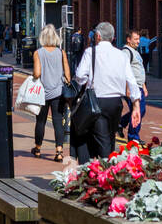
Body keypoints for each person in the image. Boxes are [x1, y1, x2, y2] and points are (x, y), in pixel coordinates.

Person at [73, 23, 141, 162]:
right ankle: (104, 170)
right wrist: (136, 106)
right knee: (110, 139)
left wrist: (86, 82)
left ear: (98, 36)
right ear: (113, 37)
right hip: (116, 103)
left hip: (96, 101)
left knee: (102, 142)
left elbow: (80, 75)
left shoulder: (90, 52)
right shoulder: (121, 55)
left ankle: (105, 173)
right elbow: (132, 81)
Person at [30, 24, 71, 162]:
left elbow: (37, 73)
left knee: (40, 121)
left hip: (42, 93)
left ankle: (37, 149)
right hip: (58, 93)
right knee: (58, 121)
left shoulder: (38, 53)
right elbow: (68, 75)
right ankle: (59, 152)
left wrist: (36, 77)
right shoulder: (61, 53)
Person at [119, 29, 148, 142]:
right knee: (139, 110)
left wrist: (144, 85)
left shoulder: (135, 51)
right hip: (132, 87)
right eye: (135, 39)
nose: (138, 41)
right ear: (128, 39)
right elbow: (124, 71)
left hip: (138, 86)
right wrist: (127, 88)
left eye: (138, 39)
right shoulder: (126, 52)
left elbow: (139, 69)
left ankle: (121, 123)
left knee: (139, 110)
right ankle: (133, 137)